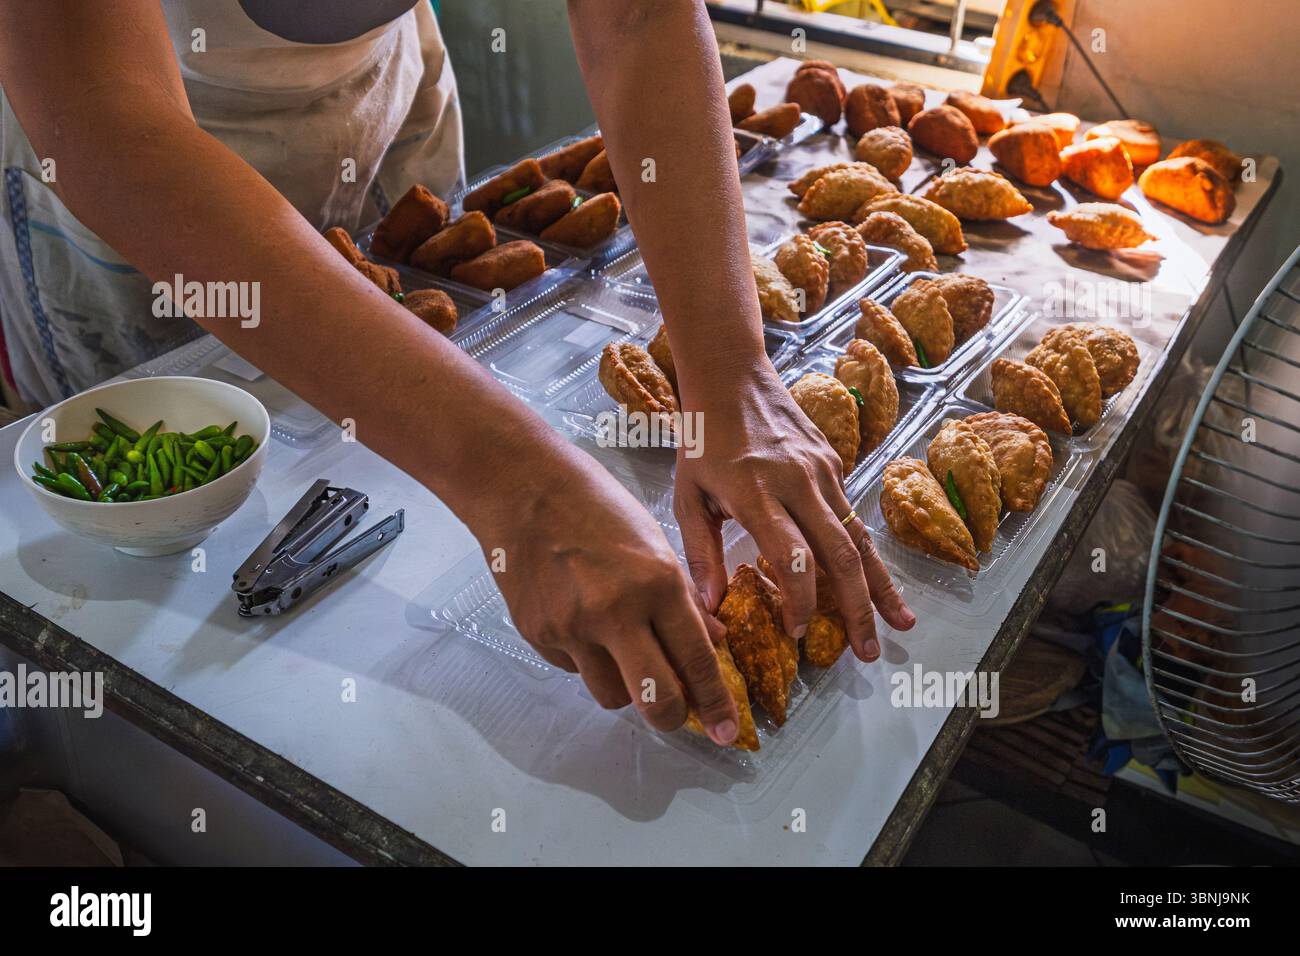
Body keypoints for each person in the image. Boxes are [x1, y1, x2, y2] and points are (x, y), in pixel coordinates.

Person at [0, 0, 913, 747]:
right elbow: (108, 126)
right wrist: (525, 490)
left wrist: (729, 366)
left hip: (378, 96)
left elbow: (635, 18)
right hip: (151, 178)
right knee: (146, 599)